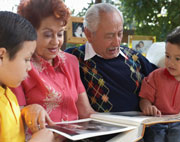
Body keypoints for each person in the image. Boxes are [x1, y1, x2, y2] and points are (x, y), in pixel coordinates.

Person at [12, 0, 95, 135]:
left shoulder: (71, 62)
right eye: (48, 35)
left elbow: (86, 112)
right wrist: (29, 110)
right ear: (29, 32)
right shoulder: (19, 66)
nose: (56, 42)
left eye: (60, 34)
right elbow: (13, 120)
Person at [65, 3, 157, 113]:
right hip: (101, 127)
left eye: (120, 34)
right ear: (89, 34)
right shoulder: (73, 59)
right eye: (109, 36)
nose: (117, 42)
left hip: (143, 126)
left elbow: (162, 79)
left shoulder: (134, 56)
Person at [0, 11, 55, 142]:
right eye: (26, 59)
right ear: (2, 56)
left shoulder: (9, 94)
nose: (29, 67)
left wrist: (26, 112)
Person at [139, 26, 180, 142]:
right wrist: (147, 107)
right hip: (157, 124)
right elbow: (144, 98)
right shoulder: (156, 76)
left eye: (177, 59)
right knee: (153, 137)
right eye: (167, 56)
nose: (170, 62)